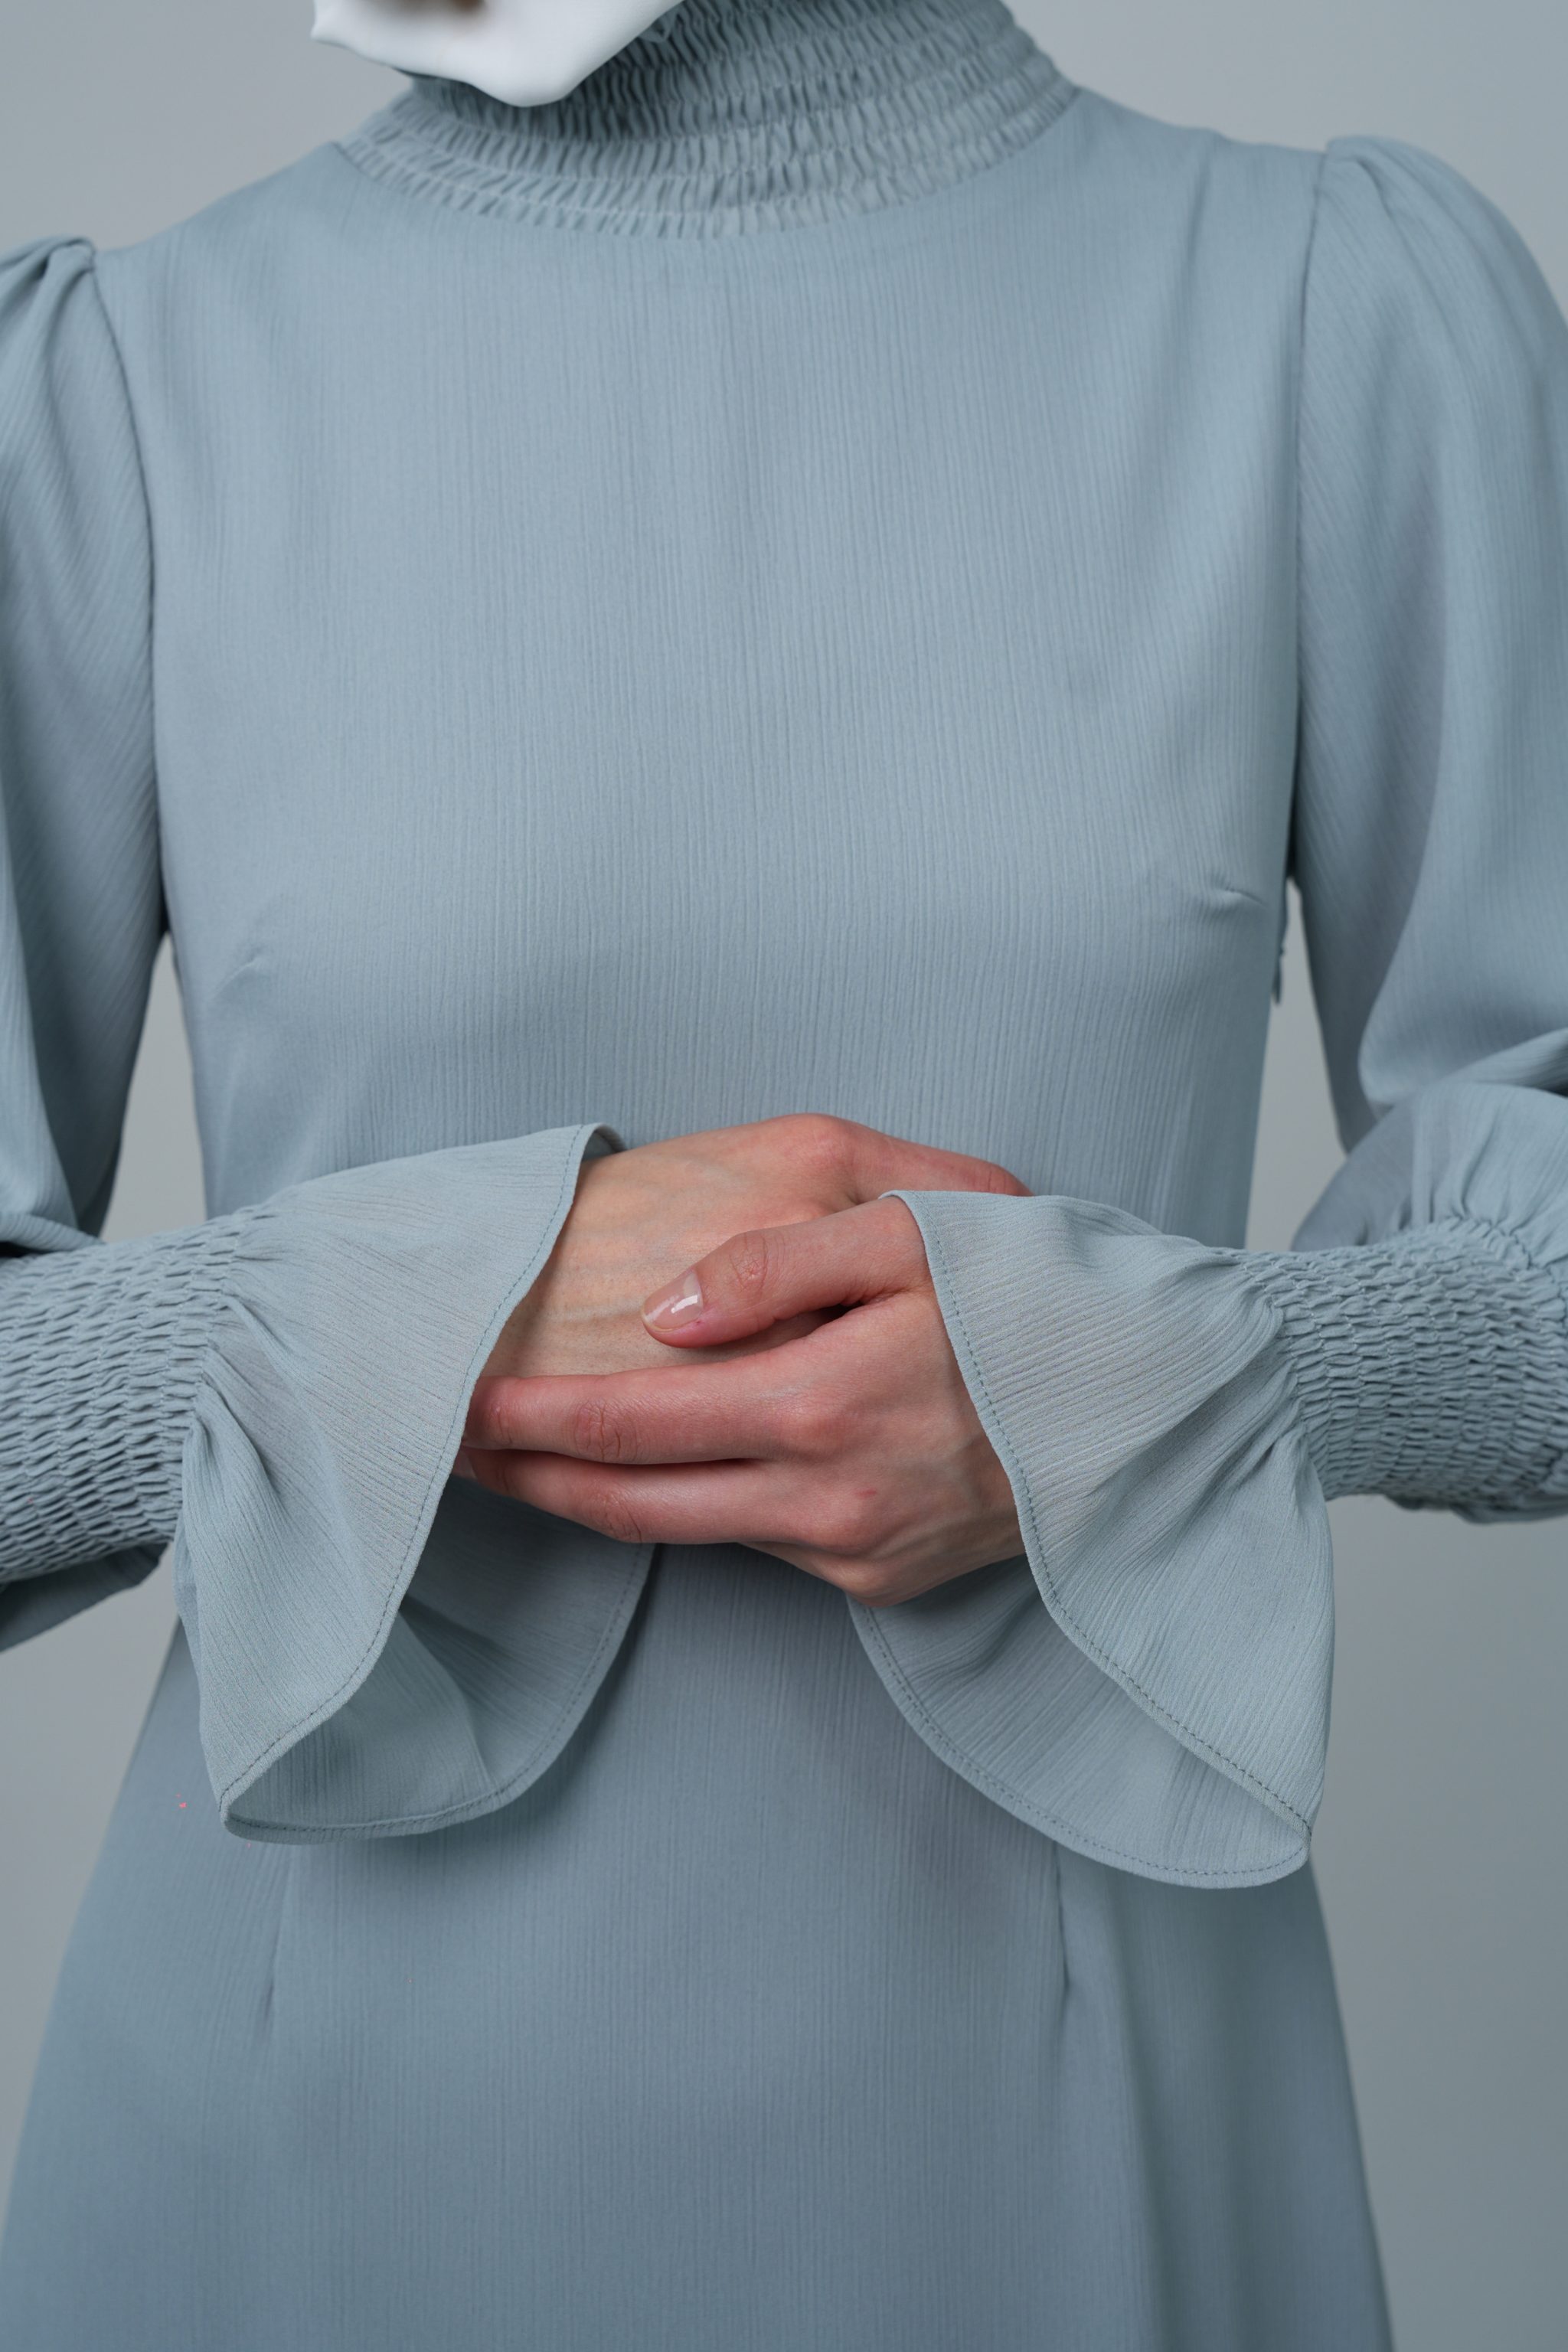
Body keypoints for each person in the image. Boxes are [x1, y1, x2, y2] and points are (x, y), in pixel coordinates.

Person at [2, 0, 1566, 2342]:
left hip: (1086, 2156)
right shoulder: (123, 385)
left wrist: (1140, 1383)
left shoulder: (1333, 312)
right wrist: (400, 1332)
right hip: (301, 2173)